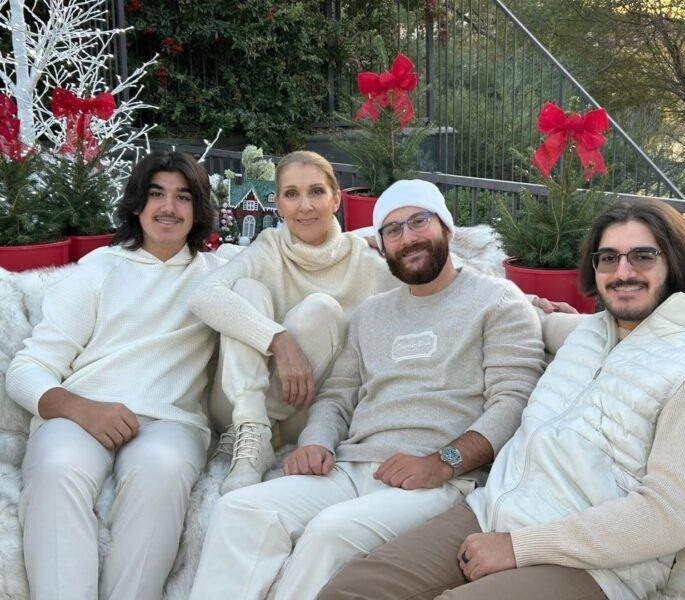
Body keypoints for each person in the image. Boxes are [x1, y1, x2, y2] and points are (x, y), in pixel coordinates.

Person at [320, 197, 685, 600]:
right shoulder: (592, 334)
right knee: (350, 589)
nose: (623, 272)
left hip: (594, 565)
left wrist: (521, 547)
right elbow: (551, 332)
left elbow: (668, 516)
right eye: (608, 258)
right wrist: (536, 307)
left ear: (675, 262)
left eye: (643, 256)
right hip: (491, 512)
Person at [188, 179, 547, 600]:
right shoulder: (371, 314)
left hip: (438, 480)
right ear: (383, 246)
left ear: (447, 228)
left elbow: (513, 402)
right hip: (352, 467)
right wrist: (316, 442)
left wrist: (444, 461)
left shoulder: (497, 302)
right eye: (393, 230)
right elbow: (337, 396)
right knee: (240, 510)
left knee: (329, 532)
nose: (407, 238)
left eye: (419, 221)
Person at [6, 150, 225, 600]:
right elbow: (27, 369)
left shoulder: (220, 276)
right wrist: (83, 409)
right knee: (56, 468)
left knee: (162, 470)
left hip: (171, 422)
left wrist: (368, 242)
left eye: (183, 197)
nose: (168, 207)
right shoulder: (98, 269)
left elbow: (290, 255)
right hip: (81, 412)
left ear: (198, 208)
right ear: (137, 204)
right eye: (156, 194)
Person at [188, 150, 399, 494]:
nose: (305, 206)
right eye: (292, 194)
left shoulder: (365, 260)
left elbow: (427, 291)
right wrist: (278, 340)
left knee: (321, 309)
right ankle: (253, 433)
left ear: (336, 200)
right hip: (236, 410)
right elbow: (203, 296)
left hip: (303, 413)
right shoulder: (268, 247)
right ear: (279, 205)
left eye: (316, 192)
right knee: (246, 289)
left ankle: (259, 434)